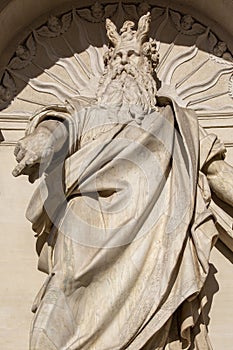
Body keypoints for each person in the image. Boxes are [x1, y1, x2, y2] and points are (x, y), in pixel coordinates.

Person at [12, 13, 233, 349]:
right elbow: (55, 127)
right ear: (108, 65)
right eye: (119, 57)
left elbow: (217, 172)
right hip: (86, 225)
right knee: (66, 286)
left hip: (154, 230)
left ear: (149, 66)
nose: (125, 63)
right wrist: (40, 141)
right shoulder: (85, 112)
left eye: (134, 56)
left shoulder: (177, 122)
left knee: (153, 296)